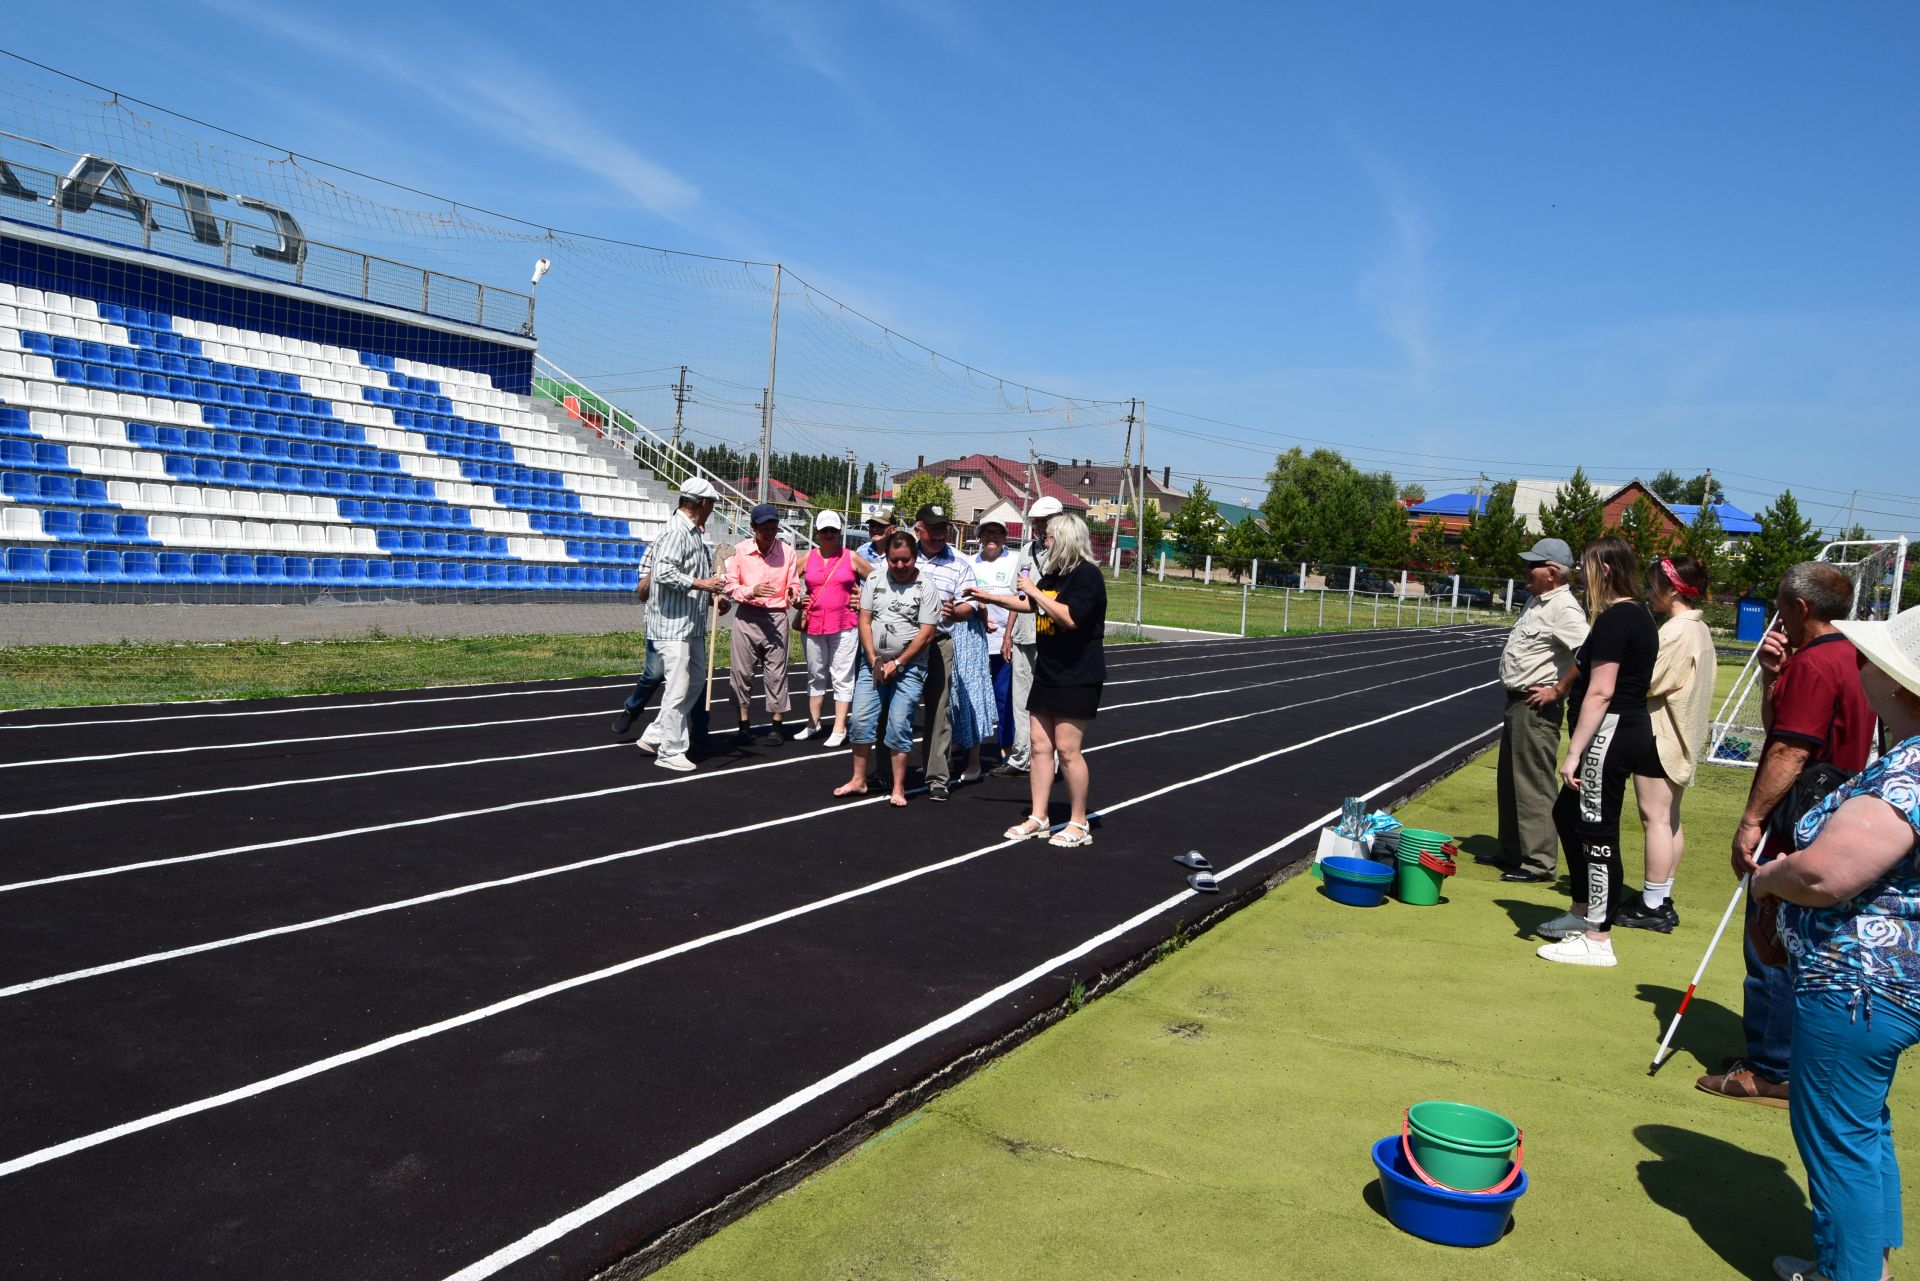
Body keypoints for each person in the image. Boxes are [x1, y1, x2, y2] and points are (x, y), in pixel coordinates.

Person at [1750, 605, 1920, 1281]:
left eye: (1875, 660)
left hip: (1858, 985)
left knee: (1840, 1140)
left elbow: (1827, 871)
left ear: (1904, 686)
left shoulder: (1910, 768)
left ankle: (1848, 1273)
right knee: (1862, 1129)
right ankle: (1863, 1265)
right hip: (1880, 986)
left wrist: (1768, 878)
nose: (1863, 667)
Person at [1699, 562, 1875, 1107]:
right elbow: (1786, 725)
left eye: (1780, 605)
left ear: (1801, 608)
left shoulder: (1817, 664)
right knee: (1799, 942)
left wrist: (1751, 821)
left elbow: (1787, 749)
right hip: (1833, 815)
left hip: (1798, 821)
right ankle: (1780, 1054)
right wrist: (1776, 677)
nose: (1776, 614)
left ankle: (1773, 1069)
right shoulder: (1854, 657)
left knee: (1771, 943)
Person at [1535, 536, 1662, 967]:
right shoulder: (1627, 616)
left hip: (1612, 732)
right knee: (1567, 814)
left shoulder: (1620, 618)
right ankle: (1581, 911)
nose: (1581, 581)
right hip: (1619, 730)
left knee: (1598, 832)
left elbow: (1602, 691)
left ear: (1604, 571)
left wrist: (1574, 753)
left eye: (1587, 571)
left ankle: (1599, 936)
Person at [968, 510, 1106, 848]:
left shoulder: (1087, 576)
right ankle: (1039, 816)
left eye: (1049, 537)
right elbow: (1026, 602)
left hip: (1078, 674)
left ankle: (1078, 821)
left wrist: (1035, 591)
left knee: (1068, 750)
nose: (1044, 541)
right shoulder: (1054, 575)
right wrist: (987, 597)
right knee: (1040, 747)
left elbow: (1069, 618)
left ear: (1065, 540)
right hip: (1048, 671)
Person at [1616, 554, 1717, 932]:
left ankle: (1652, 905)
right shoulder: (1699, 629)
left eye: (1655, 583)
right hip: (1682, 736)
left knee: (1654, 819)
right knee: (1670, 820)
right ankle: (1661, 896)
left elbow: (1651, 680)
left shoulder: (1676, 631)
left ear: (1673, 588)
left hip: (1662, 734)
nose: (1649, 590)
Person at [1487, 537, 1591, 883]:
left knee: (1534, 784)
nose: (1526, 570)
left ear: (1553, 571)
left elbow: (1587, 651)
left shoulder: (1564, 608)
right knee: (1511, 781)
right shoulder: (1537, 600)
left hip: (1535, 707)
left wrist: (1558, 689)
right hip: (1516, 701)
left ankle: (1539, 862)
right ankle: (1513, 850)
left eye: (1533, 565)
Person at [837, 530, 938, 807]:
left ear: (915, 558)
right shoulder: (874, 580)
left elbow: (927, 633)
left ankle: (898, 788)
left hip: (910, 668)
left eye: (905, 560)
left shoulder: (926, 587)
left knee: (898, 724)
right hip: (874, 664)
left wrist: (898, 662)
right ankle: (859, 780)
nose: (900, 566)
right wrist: (873, 659)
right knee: (860, 719)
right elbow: (865, 620)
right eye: (894, 560)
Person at [636, 477, 725, 772]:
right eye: (712, 504)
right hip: (672, 624)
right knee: (678, 686)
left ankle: (657, 733)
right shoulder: (677, 531)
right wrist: (702, 583)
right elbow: (662, 572)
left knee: (696, 680)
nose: (713, 510)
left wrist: (712, 594)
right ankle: (670, 750)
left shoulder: (694, 534)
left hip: (691, 624)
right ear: (701, 504)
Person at [610, 541, 712, 748]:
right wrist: (660, 568)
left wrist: (715, 597)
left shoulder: (703, 549)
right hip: (662, 626)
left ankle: (700, 727)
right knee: (655, 673)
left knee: (696, 675)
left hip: (693, 624)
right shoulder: (657, 547)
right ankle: (632, 709)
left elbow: (703, 588)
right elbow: (641, 593)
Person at [991, 495, 1064, 779]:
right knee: (1021, 699)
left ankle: (1052, 761)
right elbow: (1017, 596)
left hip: (1051, 637)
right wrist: (1008, 634)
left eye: (1043, 522)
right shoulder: (1026, 551)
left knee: (1051, 701)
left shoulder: (1065, 554)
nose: (1038, 528)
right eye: (1035, 522)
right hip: (1023, 634)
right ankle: (1021, 757)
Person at [913, 504, 976, 802]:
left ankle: (938, 776)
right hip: (901, 644)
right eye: (933, 528)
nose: (940, 534)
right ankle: (886, 772)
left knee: (940, 711)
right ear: (918, 528)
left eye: (943, 528)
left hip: (939, 642)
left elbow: (970, 604)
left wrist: (957, 612)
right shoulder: (900, 555)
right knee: (893, 710)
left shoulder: (960, 562)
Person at [723, 503, 802, 742]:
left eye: (774, 527)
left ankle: (776, 726)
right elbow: (729, 586)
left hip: (777, 617)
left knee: (777, 673)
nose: (770, 532)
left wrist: (793, 594)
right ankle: (743, 724)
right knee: (741, 672)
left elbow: (795, 585)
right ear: (753, 527)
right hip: (747, 616)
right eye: (765, 528)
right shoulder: (740, 551)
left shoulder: (788, 552)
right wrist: (751, 591)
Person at [796, 509, 859, 745]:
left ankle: (840, 727)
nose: (829, 534)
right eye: (825, 531)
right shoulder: (807, 558)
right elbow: (790, 582)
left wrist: (861, 596)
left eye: (833, 530)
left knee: (842, 675)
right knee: (815, 674)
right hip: (813, 625)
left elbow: (875, 580)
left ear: (839, 532)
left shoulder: (850, 557)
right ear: (817, 532)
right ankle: (813, 722)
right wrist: (796, 596)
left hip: (844, 625)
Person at [971, 518, 1022, 766]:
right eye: (987, 532)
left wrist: (1008, 635)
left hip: (1005, 642)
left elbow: (1018, 599)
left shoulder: (1014, 562)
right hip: (977, 640)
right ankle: (972, 750)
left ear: (1005, 536)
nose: (992, 537)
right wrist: (981, 616)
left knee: (1004, 697)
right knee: (975, 697)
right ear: (979, 536)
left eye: (997, 533)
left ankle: (1006, 747)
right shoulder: (970, 563)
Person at [851, 507, 895, 580]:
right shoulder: (861, 551)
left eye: (880, 525)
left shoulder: (899, 553)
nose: (874, 529)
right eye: (872, 525)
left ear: (893, 529)